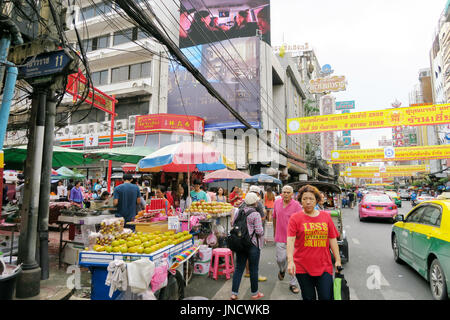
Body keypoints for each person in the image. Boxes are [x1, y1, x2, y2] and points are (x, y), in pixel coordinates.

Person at [287, 185, 342, 301]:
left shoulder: (325, 217)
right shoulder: (295, 218)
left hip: (324, 266)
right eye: (304, 199)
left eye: (311, 199)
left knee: (326, 297)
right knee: (308, 297)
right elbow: (290, 240)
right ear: (300, 200)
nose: (308, 202)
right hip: (302, 267)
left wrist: (337, 260)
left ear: (316, 200)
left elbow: (332, 239)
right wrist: (290, 261)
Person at [230, 192, 265, 300]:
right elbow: (259, 232)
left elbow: (233, 224)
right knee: (254, 269)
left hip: (240, 243)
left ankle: (234, 293)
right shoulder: (256, 214)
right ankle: (255, 293)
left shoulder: (239, 211)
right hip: (253, 245)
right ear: (255, 202)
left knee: (239, 268)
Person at [273, 185, 302, 294]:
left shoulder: (297, 206)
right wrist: (275, 232)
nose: (285, 194)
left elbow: (301, 220)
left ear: (292, 194)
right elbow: (274, 217)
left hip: (293, 238)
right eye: (284, 192)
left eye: (288, 192)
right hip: (280, 236)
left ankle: (293, 284)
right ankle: (282, 270)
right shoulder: (277, 203)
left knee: (292, 261)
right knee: (280, 259)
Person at [239, 185, 267, 282]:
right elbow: (262, 218)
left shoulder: (243, 203)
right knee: (254, 257)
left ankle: (247, 272)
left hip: (243, 235)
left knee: (245, 255)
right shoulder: (257, 203)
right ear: (258, 193)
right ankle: (254, 276)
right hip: (254, 236)